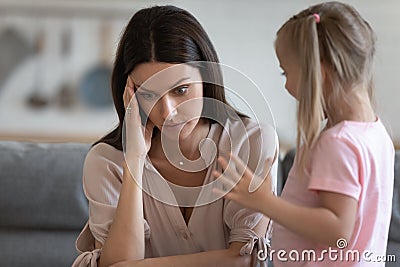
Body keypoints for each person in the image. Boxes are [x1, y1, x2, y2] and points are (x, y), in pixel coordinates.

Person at [72, 5, 278, 267]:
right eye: (147, 94)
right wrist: (134, 160)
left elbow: (246, 260)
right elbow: (119, 260)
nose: (168, 112)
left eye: (180, 90)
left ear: (206, 77)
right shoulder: (106, 161)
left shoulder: (252, 141)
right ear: (129, 95)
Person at [214, 1, 394, 266]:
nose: (286, 85)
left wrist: (264, 202)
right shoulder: (377, 133)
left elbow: (337, 231)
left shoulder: (338, 143)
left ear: (318, 73)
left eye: (286, 72)